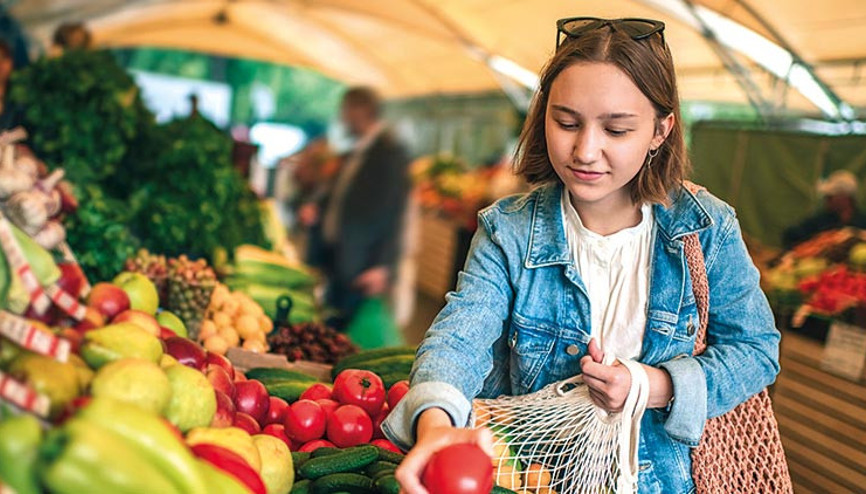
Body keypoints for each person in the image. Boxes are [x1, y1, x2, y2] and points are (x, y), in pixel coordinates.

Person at [382, 17, 781, 493]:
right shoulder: (508, 229)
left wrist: (655, 386)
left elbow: (756, 350)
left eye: (616, 130)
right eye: (566, 122)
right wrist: (435, 421)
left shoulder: (706, 228)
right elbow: (459, 338)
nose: (585, 150)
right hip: (532, 477)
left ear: (660, 129)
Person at [302, 87, 411, 330]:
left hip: (361, 265)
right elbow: (342, 195)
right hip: (338, 257)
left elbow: (395, 214)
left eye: (346, 111)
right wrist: (317, 207)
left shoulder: (389, 154)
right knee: (330, 323)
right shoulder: (357, 149)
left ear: (361, 110)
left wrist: (383, 265)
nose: (343, 118)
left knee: (347, 331)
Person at [782, 170, 866, 248]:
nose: (826, 200)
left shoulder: (862, 222)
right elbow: (790, 235)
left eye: (830, 197)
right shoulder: (819, 221)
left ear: (845, 198)